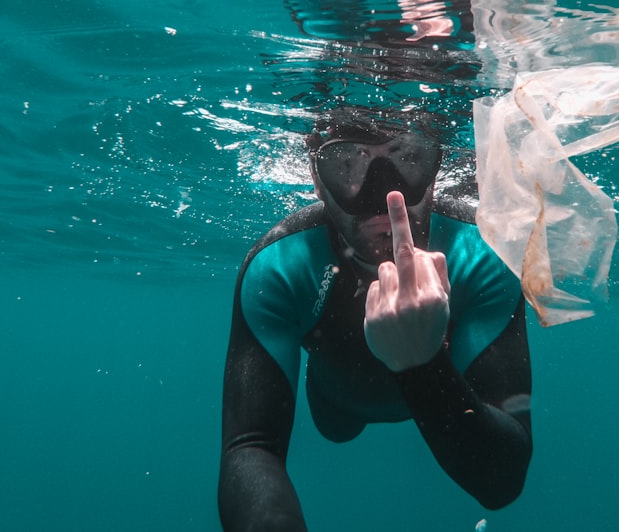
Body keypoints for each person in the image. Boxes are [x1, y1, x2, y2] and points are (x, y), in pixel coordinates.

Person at [218, 108, 532, 531]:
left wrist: (420, 361)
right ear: (317, 184)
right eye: (347, 165)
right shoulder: (280, 266)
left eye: (409, 161)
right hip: (336, 405)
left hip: (434, 407)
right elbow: (251, 446)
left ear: (436, 171)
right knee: (338, 429)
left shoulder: (483, 256)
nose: (385, 193)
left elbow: (501, 483)